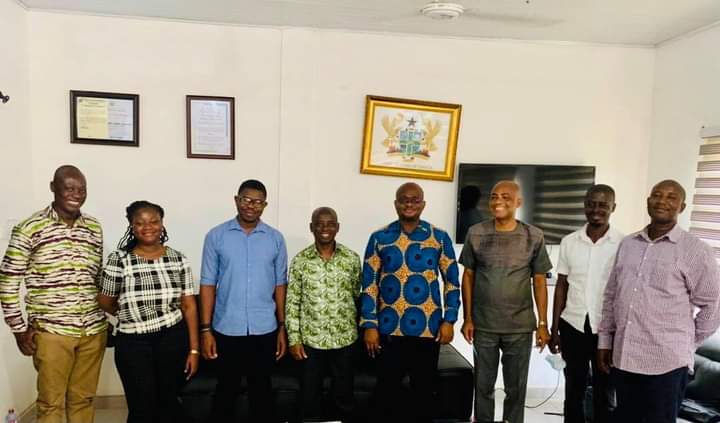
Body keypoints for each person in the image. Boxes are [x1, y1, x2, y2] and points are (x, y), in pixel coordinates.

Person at [597, 179, 720, 423]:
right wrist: (605, 341)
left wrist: (685, 343)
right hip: (625, 358)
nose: (662, 201)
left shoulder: (695, 250)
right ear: (648, 201)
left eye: (671, 197)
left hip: (667, 365)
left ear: (682, 207)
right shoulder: (628, 244)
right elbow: (612, 295)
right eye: (657, 195)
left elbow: (713, 304)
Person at [0, 165, 107, 423]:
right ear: (53, 187)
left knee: (83, 400)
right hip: (52, 332)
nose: (76, 194)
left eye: (81, 189)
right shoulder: (30, 227)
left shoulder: (93, 227)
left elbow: (97, 277)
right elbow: (8, 281)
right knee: (51, 403)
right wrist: (18, 329)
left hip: (93, 331)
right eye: (69, 188)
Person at [360, 182, 461, 423]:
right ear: (396, 204)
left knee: (423, 392)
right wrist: (370, 325)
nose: (409, 204)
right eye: (403, 199)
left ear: (423, 204)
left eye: (415, 200)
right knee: (387, 392)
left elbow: (452, 283)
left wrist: (450, 320)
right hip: (389, 328)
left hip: (428, 329)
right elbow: (369, 285)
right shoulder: (379, 237)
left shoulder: (439, 237)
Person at [97, 200, 199, 423]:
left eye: (154, 221)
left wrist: (194, 350)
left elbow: (189, 305)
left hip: (172, 338)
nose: (148, 227)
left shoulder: (178, 258)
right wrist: (130, 312)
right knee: (141, 406)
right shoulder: (119, 259)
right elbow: (105, 302)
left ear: (162, 224)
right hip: (133, 343)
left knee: (169, 402)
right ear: (132, 226)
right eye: (140, 223)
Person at [460, 180, 552, 423]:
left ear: (518, 202)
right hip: (484, 325)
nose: (498, 201)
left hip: (519, 327)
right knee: (483, 387)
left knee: (516, 389)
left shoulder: (534, 236)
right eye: (494, 196)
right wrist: (467, 318)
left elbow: (539, 281)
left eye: (505, 197)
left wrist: (543, 324)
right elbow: (468, 276)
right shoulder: (476, 233)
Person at [199, 179, 288, 422]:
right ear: (236, 200)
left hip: (264, 328)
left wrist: (282, 326)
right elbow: (207, 284)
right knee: (226, 391)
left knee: (262, 391)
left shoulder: (275, 239)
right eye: (246, 200)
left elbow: (280, 285)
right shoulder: (216, 236)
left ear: (265, 205)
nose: (251, 206)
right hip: (227, 327)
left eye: (258, 202)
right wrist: (205, 330)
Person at [548, 184, 622, 423]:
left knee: (604, 393)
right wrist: (554, 329)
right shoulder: (569, 241)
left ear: (613, 208)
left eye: (603, 205)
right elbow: (561, 286)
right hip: (573, 325)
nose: (596, 210)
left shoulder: (623, 244)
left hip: (607, 330)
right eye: (591, 204)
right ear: (584, 206)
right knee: (573, 391)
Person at [286, 207, 361, 422]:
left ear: (338, 227)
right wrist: (294, 339)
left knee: (344, 397)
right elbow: (292, 302)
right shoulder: (300, 261)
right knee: (309, 399)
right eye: (319, 224)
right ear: (312, 227)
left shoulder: (351, 259)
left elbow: (356, 294)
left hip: (345, 339)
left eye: (330, 224)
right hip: (311, 341)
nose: (324, 228)